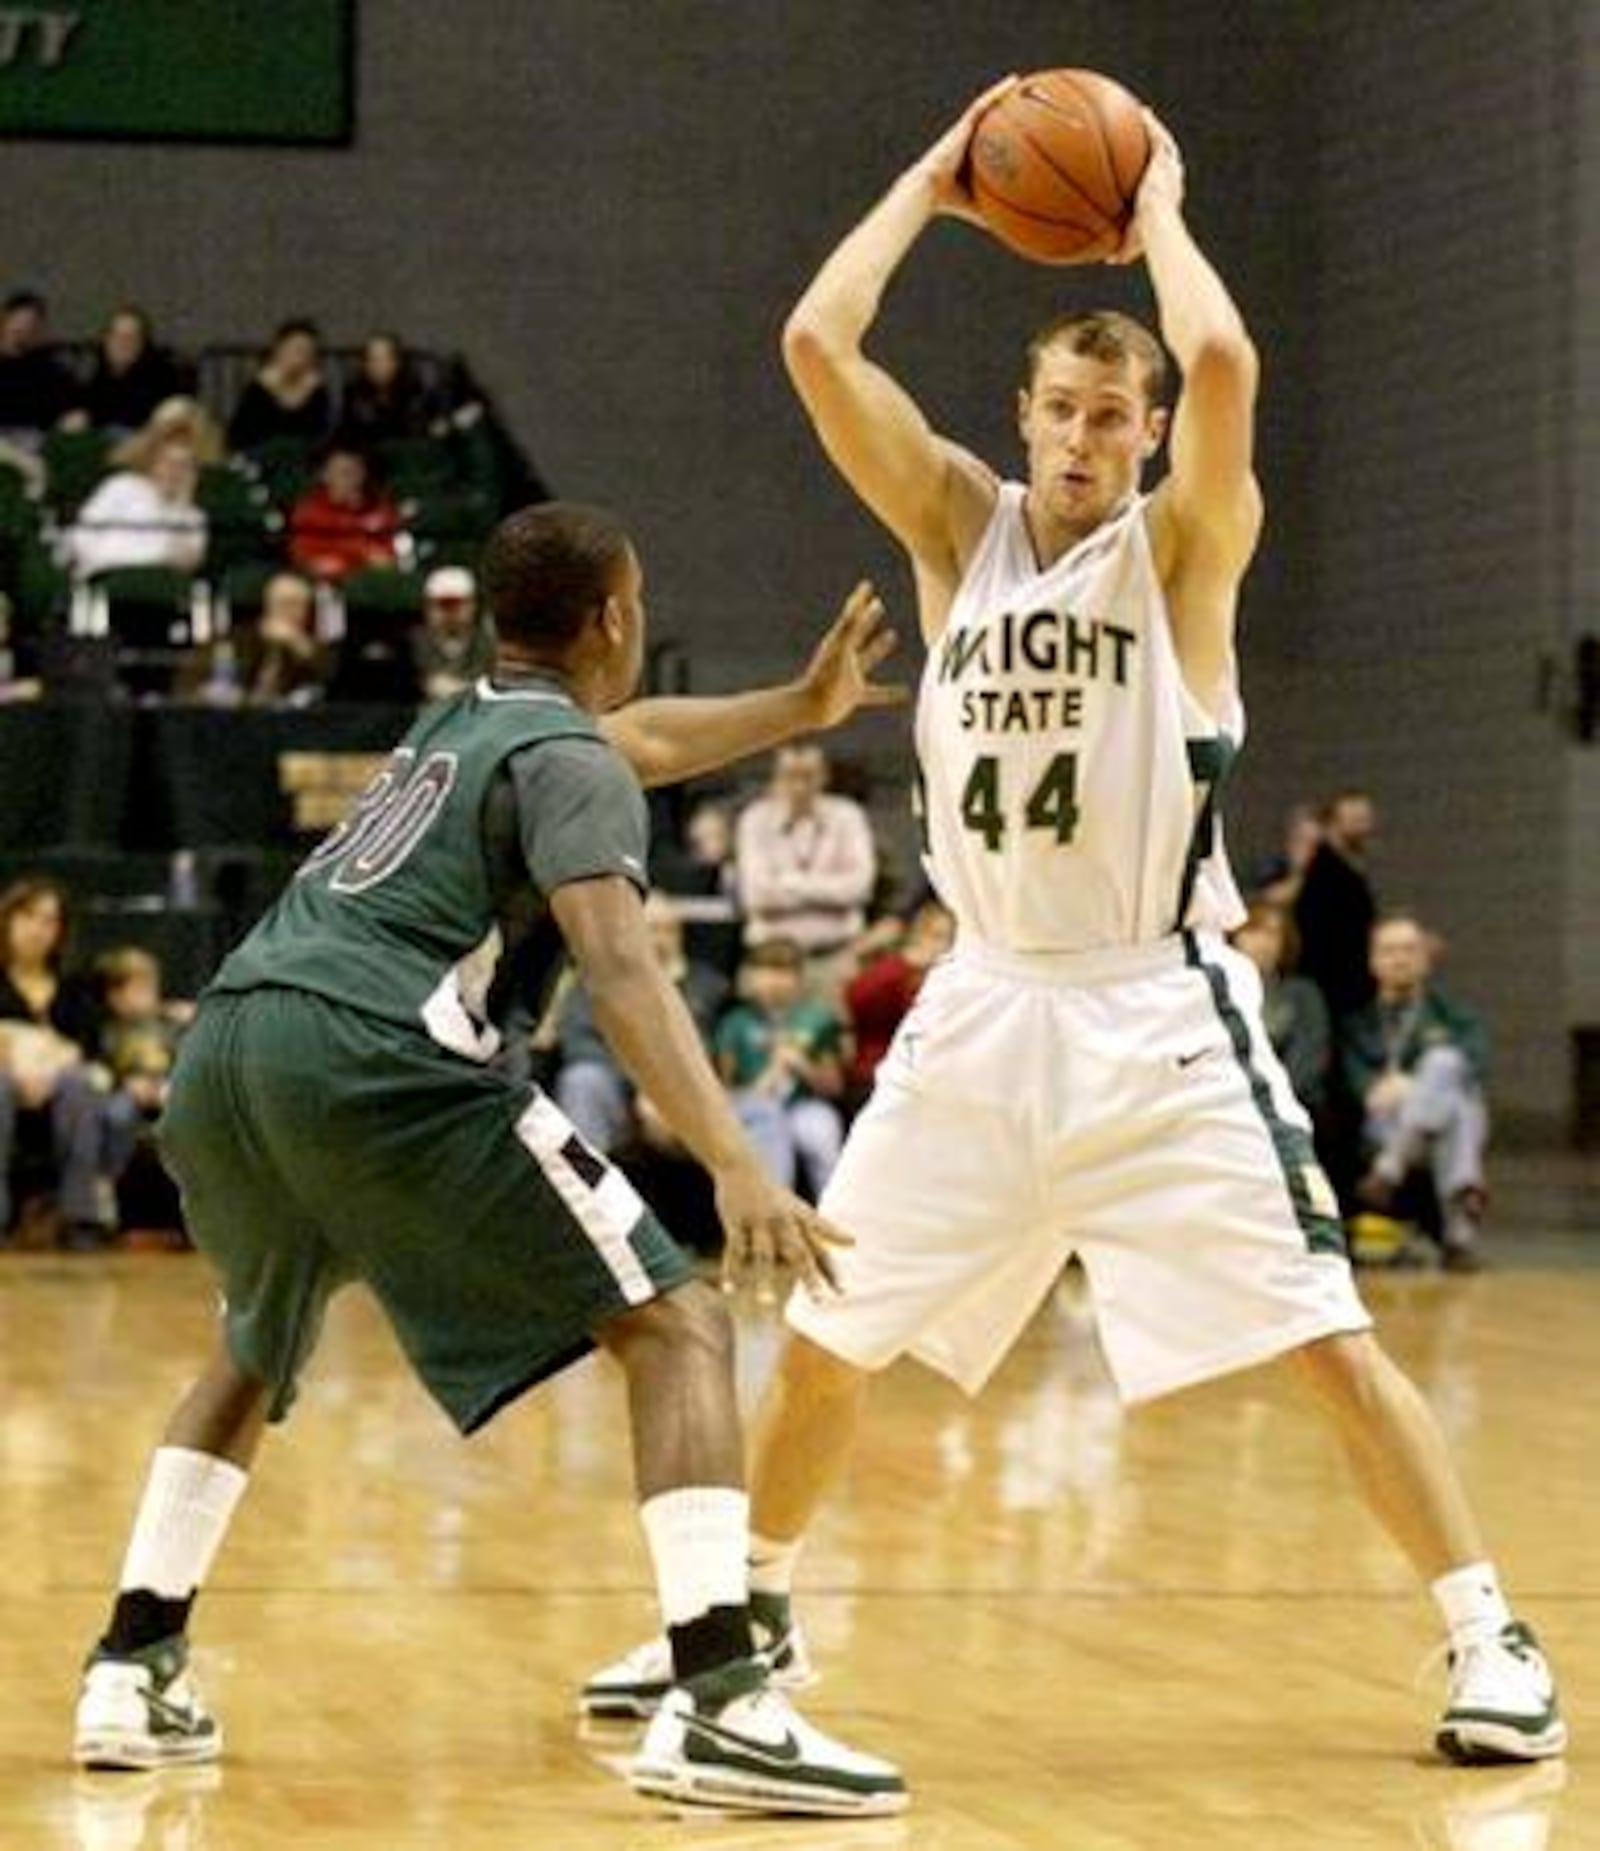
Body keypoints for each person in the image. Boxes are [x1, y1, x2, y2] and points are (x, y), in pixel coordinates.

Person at [583, 86, 1564, 1769]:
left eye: (1116, 413)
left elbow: (1234, 375)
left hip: (1156, 1014)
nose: (1085, 436)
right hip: (982, 1009)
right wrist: (935, 186)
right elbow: (819, 344)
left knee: (1323, 1339)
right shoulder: (960, 532)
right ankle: (747, 1618)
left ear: (1143, 430)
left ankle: (1491, 1635)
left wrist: (1160, 201)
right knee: (830, 1337)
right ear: (1021, 412)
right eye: (1062, 407)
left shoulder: (1184, 551)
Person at [71, 502, 907, 1818]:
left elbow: (633, 743)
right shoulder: (563, 757)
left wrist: (800, 706)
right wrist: (734, 1160)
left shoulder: (464, 728)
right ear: (615, 618)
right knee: (680, 1328)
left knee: (251, 1341)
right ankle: (724, 1700)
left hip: (232, 1038)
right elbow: (623, 962)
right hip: (374, 1048)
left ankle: (132, 1661)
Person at [1343, 913, 1491, 1272]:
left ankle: (1389, 1169)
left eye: (1409, 949)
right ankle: (1460, 1232)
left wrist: (1412, 1086)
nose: (1400, 958)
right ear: (1372, 961)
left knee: (1445, 1067)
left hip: (1409, 1133)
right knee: (1456, 1112)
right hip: (1384, 1124)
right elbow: (1363, 1089)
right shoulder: (1356, 1022)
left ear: (1426, 958)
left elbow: (1477, 1067)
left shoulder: (1454, 1015)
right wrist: (1393, 1091)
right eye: (1389, 950)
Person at [553, 891, 727, 1155]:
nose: (660, 940)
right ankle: (582, 1190)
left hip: (692, 1099)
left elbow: (716, 1048)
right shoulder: (595, 978)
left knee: (758, 1109)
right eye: (650, 930)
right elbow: (579, 1043)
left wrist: (668, 1095)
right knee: (582, 1080)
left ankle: (763, 1195)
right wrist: (645, 1085)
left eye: (669, 931)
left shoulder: (708, 986)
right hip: (617, 1093)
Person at [0, 878, 117, 1249]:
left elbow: (90, 1047)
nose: (39, 929)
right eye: (29, 917)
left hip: (60, 1085)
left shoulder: (75, 985)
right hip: (6, 1077)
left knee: (78, 1084)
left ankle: (80, 1216)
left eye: (50, 921)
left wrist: (51, 1070)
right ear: (8, 921)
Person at [735, 742, 877, 999]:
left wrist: (788, 882)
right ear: (776, 777)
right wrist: (828, 890)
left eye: (808, 776)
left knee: (833, 1036)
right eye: (790, 775)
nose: (799, 786)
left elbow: (860, 888)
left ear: (824, 776)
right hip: (770, 963)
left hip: (833, 959)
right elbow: (756, 895)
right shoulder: (755, 819)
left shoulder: (847, 815)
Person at [715, 937, 846, 1196]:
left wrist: (801, 1066)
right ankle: (777, 1218)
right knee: (768, 1126)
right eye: (766, 970)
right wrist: (765, 1081)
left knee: (822, 1133)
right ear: (750, 976)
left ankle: (837, 1217)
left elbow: (834, 1087)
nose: (774, 980)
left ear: (799, 978)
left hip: (802, 1105)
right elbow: (724, 1090)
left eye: (784, 971)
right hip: (752, 1108)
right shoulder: (735, 1021)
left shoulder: (816, 1016)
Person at [843, 898, 955, 1103]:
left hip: (940, 1076)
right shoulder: (894, 971)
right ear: (917, 936)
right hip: (880, 1071)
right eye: (936, 936)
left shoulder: (961, 981)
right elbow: (857, 1000)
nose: (942, 946)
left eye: (950, 940)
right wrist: (904, 963)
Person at [1230, 898, 1332, 1120]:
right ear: (1234, 938)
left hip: (1291, 1106)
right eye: (1253, 931)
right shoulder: (1217, 994)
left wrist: (1267, 1099)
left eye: (1273, 933)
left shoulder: (1303, 994)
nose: (1262, 942)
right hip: (1229, 1106)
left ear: (1285, 943)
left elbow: (1308, 1060)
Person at [65, 437, 207, 581]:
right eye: (168, 462)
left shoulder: (193, 516)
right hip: (107, 573)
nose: (174, 471)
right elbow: (81, 533)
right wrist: (100, 562)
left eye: (183, 466)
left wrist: (181, 507)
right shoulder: (122, 485)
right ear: (154, 464)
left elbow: (185, 566)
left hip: (156, 584)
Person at [1294, 789, 1380, 1019]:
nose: (1364, 827)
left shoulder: (1351, 872)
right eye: (1355, 820)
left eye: (1366, 819)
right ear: (1333, 823)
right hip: (1331, 985)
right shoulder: (1324, 874)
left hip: (1350, 983)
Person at [287, 443, 401, 582]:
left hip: (368, 578)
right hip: (320, 578)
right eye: (343, 472)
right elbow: (302, 552)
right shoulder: (309, 510)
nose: (351, 479)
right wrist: (359, 554)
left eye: (356, 471)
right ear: (325, 475)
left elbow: (388, 553)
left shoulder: (381, 508)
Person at [226, 320, 332, 454]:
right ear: (279, 349)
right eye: (297, 349)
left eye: (308, 351)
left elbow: (321, 435)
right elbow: (240, 437)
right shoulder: (258, 389)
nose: (302, 357)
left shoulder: (317, 391)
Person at [81, 307, 186, 435]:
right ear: (105, 339)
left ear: (143, 343)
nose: (123, 343)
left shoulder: (161, 377)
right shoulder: (93, 373)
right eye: (116, 335)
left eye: (131, 337)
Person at [0, 289, 82, 445]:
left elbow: (72, 401)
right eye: (18, 321)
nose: (22, 329)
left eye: (29, 324)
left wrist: (75, 416)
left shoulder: (48, 363)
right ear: (5, 319)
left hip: (33, 437)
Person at [410, 563, 494, 701]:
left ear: (473, 605)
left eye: (456, 604)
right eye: (442, 605)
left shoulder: (488, 644)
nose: (449, 613)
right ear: (427, 606)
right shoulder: (410, 646)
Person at [341, 331, 436, 446]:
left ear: (397, 362)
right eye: (372, 360)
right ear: (364, 365)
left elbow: (419, 432)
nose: (378, 366)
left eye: (385, 359)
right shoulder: (354, 393)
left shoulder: (416, 391)